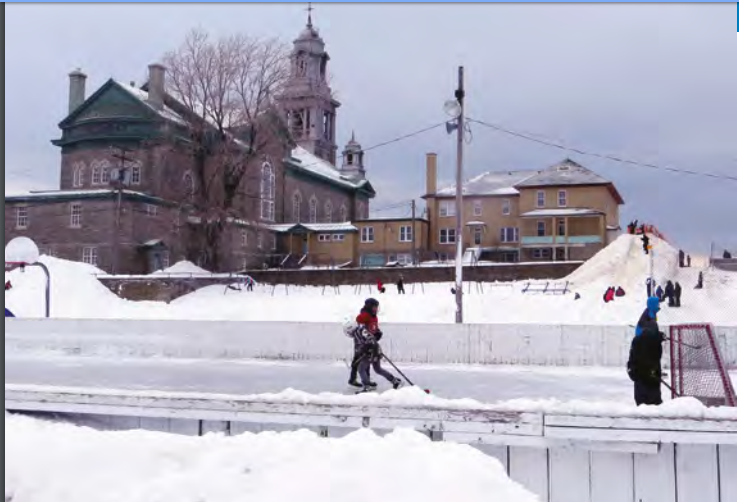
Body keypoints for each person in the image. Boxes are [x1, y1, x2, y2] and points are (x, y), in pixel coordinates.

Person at [351, 298, 401, 392]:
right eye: (374, 307)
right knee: (376, 369)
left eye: (377, 307)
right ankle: (394, 380)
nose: (376, 309)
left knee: (362, 368)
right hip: (370, 346)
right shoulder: (364, 316)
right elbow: (360, 329)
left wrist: (378, 333)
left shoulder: (374, 317)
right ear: (369, 307)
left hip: (371, 347)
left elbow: (373, 329)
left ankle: (367, 386)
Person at [628, 297, 664, 406]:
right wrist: (657, 337)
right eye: (657, 303)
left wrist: (659, 336)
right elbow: (648, 332)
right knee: (646, 371)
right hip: (644, 345)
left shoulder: (650, 313)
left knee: (647, 371)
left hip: (644, 344)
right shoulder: (649, 315)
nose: (658, 305)